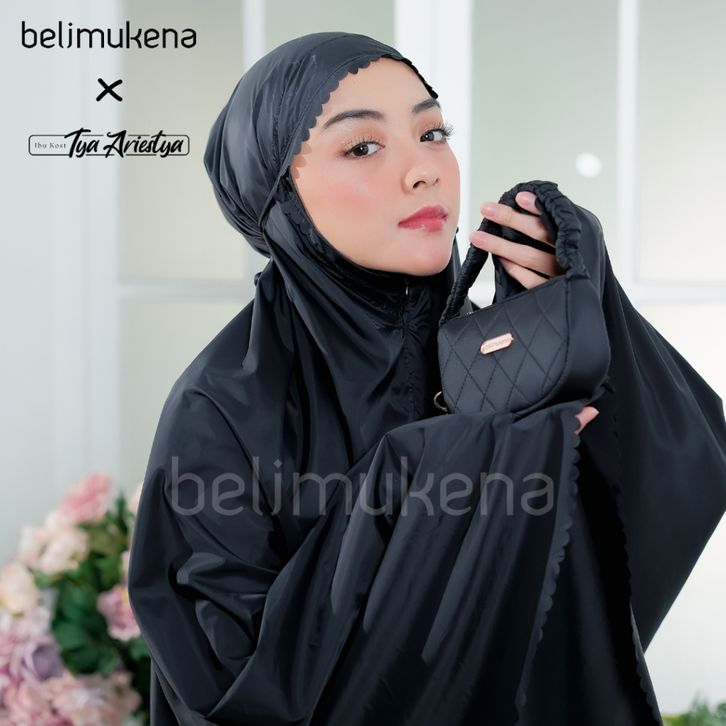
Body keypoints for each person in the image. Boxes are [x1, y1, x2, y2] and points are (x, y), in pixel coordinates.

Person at [128, 31, 726, 725]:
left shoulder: (493, 357)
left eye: (432, 133)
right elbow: (234, 693)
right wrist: (432, 468)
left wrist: (590, 317)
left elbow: (671, 490)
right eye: (362, 146)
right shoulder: (220, 404)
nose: (423, 171)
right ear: (277, 191)